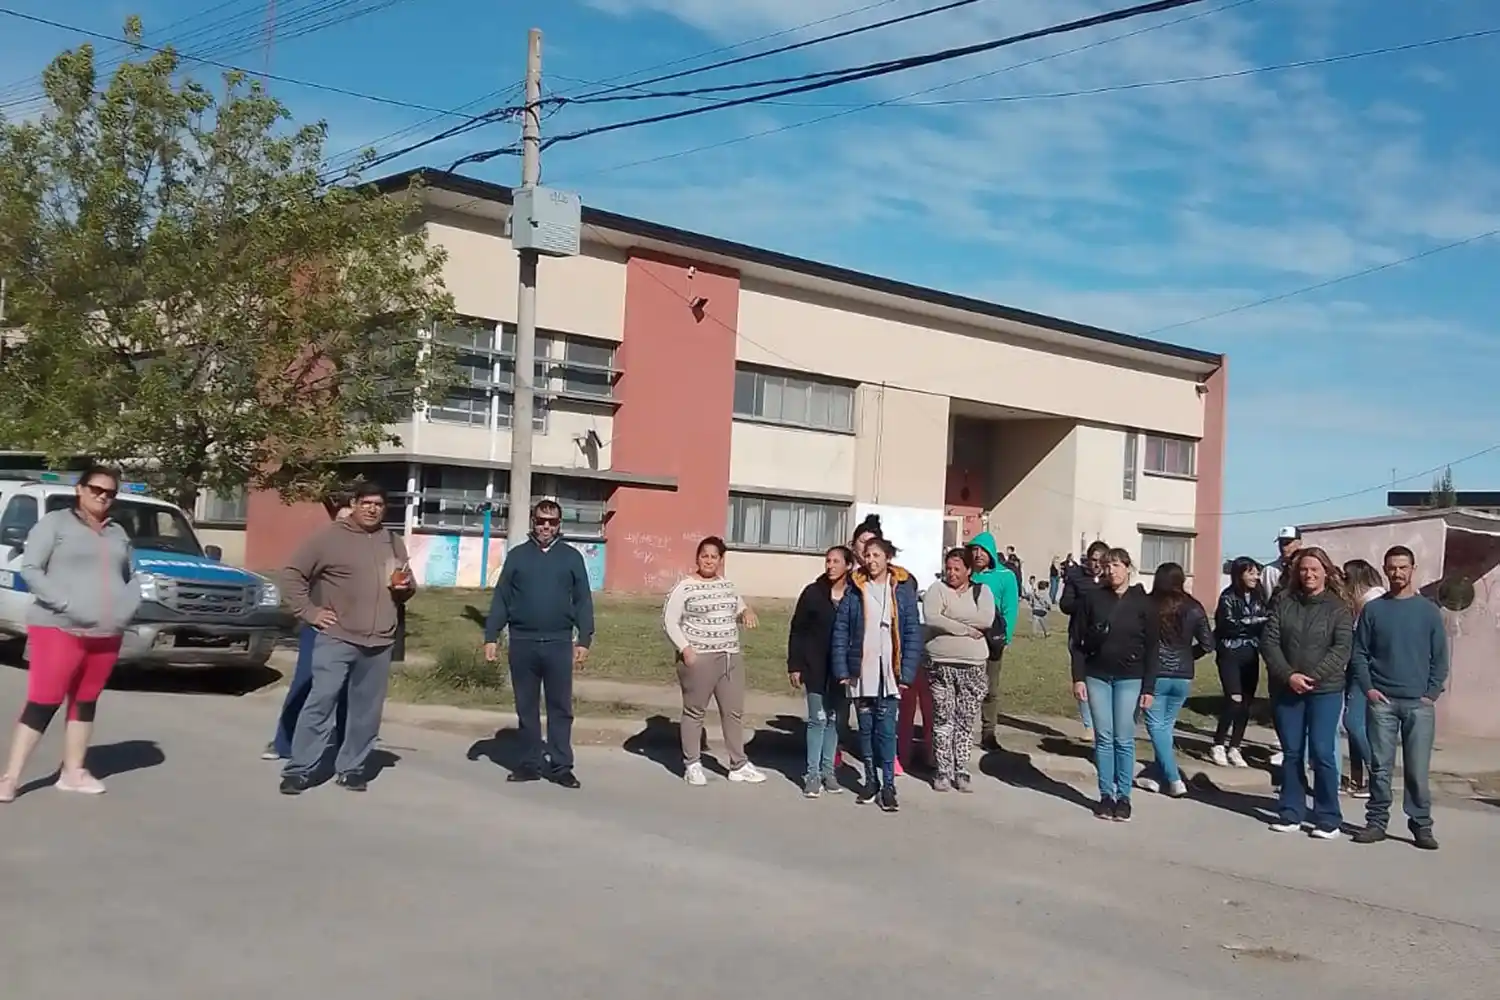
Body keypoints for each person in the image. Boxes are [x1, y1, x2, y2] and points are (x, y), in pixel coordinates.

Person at [0, 466, 140, 802]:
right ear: (80, 489)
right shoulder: (55, 524)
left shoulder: (118, 532)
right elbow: (31, 569)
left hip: (107, 633)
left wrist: (128, 606)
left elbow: (132, 575)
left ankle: (73, 772)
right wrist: (63, 602)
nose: (103, 497)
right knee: (44, 700)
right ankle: (10, 777)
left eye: (110, 493)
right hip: (58, 627)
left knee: (86, 700)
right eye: (96, 489)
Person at [279, 481, 414, 795]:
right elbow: (291, 574)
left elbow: (407, 585)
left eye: (378, 504)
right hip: (338, 637)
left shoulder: (392, 541)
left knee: (366, 711)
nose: (372, 509)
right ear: (353, 504)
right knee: (321, 701)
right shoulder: (329, 538)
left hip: (379, 640)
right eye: (366, 502)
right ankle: (300, 769)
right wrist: (310, 612)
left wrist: (405, 588)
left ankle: (352, 768)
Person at [483, 498, 594, 789]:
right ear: (533, 521)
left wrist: (584, 638)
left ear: (559, 525)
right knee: (527, 707)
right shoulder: (518, 556)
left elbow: (583, 600)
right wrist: (491, 635)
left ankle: (560, 766)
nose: (546, 526)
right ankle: (530, 763)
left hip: (558, 643)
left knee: (560, 708)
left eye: (552, 521)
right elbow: (502, 598)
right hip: (522, 642)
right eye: (541, 520)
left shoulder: (571, 557)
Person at [1351, 546, 1448, 851]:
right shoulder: (1374, 610)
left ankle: (1421, 825)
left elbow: (1441, 658)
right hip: (1383, 702)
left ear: (1413, 569)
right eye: (1392, 568)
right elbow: (1359, 654)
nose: (1397, 573)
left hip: (1419, 705)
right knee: (1380, 768)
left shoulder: (1428, 611)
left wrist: (1431, 693)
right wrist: (1368, 688)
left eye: (1403, 567)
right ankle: (1377, 822)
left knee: (1417, 770)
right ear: (1385, 569)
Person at [1261, 547, 1353, 839]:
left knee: (1323, 752)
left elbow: (1342, 649)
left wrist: (1313, 676)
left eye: (1314, 569)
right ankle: (1290, 811)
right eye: (1303, 569)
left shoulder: (1338, 607)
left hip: (1324, 690)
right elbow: (1269, 643)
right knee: (1291, 753)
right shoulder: (1283, 603)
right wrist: (1289, 676)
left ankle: (1328, 817)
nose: (1309, 574)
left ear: (1326, 571)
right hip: (1287, 690)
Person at [664, 536, 765, 787]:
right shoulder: (685, 587)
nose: (709, 560)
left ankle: (738, 764)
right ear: (697, 559)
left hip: (729, 658)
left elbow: (738, 606)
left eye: (714, 556)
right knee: (694, 711)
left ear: (721, 560)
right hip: (699, 659)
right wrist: (685, 649)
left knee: (733, 713)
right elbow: (669, 620)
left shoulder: (726, 584)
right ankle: (692, 764)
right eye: (704, 556)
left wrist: (746, 612)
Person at [831, 537, 922, 812]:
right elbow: (841, 630)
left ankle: (889, 787)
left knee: (886, 730)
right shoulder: (855, 589)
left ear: (888, 558)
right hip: (863, 668)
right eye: (867, 555)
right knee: (866, 729)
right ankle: (870, 782)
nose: (871, 561)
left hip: (890, 670)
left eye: (877, 556)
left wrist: (906, 673)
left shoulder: (902, 589)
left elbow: (912, 632)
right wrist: (843, 669)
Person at [262, 495, 353, 762]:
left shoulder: (368, 552)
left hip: (356, 631)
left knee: (349, 690)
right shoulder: (320, 547)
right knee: (305, 683)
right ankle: (283, 742)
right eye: (340, 521)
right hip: (321, 628)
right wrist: (311, 612)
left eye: (350, 521)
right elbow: (292, 578)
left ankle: (345, 749)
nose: (345, 526)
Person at [1071, 548, 1158, 821]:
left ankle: (1125, 797)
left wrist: (1149, 688)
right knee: (1104, 738)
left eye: (1117, 565)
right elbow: (1077, 641)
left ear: (1128, 568)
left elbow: (1153, 647)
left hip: (1130, 677)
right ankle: (1106, 795)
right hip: (1097, 675)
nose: (1112, 571)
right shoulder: (1092, 599)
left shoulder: (1143, 602)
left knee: (1124, 738)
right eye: (1107, 566)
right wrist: (1078, 677)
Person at [1135, 562, 1211, 798]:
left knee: (1157, 727)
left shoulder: (1149, 605)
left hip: (1155, 673)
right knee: (1165, 727)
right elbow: (1208, 644)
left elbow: (1138, 639)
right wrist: (1188, 656)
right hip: (1183, 675)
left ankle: (1175, 779)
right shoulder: (1195, 607)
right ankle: (1158, 776)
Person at [922, 548, 994, 793]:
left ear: (968, 570)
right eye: (948, 569)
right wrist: (963, 628)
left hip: (973, 664)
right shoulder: (936, 590)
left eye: (957, 569)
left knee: (965, 720)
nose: (951, 574)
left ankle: (961, 769)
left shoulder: (982, 591)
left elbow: (986, 619)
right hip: (940, 663)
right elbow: (932, 617)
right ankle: (943, 770)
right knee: (943, 718)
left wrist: (949, 618)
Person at [788, 545, 855, 798]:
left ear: (848, 565)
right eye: (828, 561)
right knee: (817, 719)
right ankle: (812, 774)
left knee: (836, 721)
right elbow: (798, 630)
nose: (830, 566)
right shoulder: (813, 593)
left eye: (836, 561)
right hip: (815, 667)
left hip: (843, 670)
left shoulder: (854, 594)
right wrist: (794, 664)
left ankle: (829, 771)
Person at [1210, 557, 1270, 767]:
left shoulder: (1258, 596)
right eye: (1251, 572)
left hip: (1251, 653)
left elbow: (1266, 619)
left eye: (1257, 573)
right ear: (1239, 574)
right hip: (1229, 653)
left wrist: (1255, 623)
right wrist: (1255, 622)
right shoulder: (1227, 597)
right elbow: (1229, 625)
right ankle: (1218, 743)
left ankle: (1235, 746)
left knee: (1246, 703)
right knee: (1233, 699)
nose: (1256, 577)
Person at [1339, 559, 1385, 797]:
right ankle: (1357, 779)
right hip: (1355, 668)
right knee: (1358, 725)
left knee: (1353, 722)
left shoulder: (1373, 600)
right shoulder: (1362, 602)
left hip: (1366, 670)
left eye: (1346, 578)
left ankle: (1377, 778)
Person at [969, 531, 1017, 750]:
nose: (978, 554)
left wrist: (1004, 637)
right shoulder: (967, 574)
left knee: (990, 687)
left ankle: (989, 732)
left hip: (992, 638)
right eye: (974, 549)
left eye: (982, 550)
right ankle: (964, 728)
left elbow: (1010, 609)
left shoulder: (1005, 576)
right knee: (967, 686)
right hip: (967, 638)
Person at [1060, 540, 1110, 742]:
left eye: (1100, 561)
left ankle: (1103, 722)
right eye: (1093, 560)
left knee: (1101, 680)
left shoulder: (1111, 579)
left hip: (1106, 638)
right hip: (1080, 635)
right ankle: (1088, 724)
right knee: (1082, 680)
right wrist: (1087, 601)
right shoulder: (1076, 578)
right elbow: (1065, 605)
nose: (1096, 565)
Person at [1261, 527, 1302, 599]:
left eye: (1287, 543)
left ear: (1299, 543)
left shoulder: (1307, 567)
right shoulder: (1269, 570)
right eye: (1281, 543)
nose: (1283, 548)